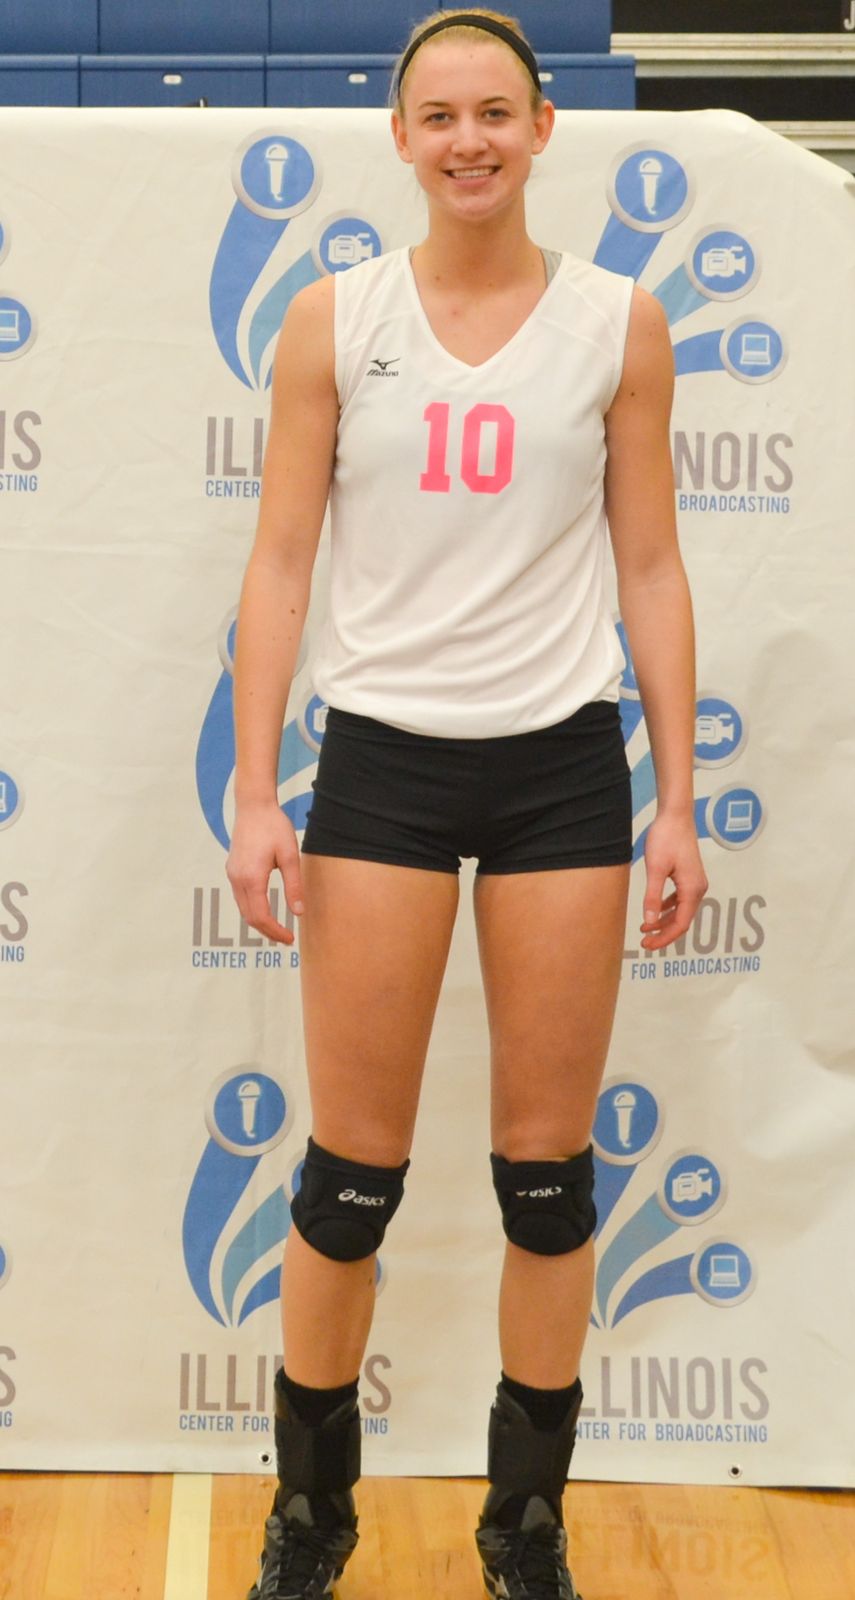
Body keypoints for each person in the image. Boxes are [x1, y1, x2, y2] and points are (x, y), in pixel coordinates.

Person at [226, 9, 708, 1597]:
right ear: (401, 136)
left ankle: (525, 1526)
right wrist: (255, 788)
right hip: (384, 768)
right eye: (439, 116)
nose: (469, 141)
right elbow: (280, 563)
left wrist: (678, 801)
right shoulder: (333, 320)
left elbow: (652, 566)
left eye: (495, 111)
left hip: (561, 769)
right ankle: (312, 1521)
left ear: (543, 126)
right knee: (347, 1183)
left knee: (547, 1185)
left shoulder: (620, 322)